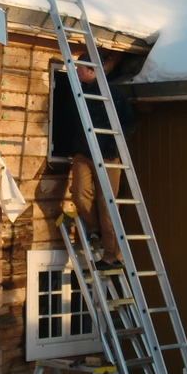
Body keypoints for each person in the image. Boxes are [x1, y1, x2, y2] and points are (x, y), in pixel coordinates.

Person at [51, 56, 135, 268]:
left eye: (80, 69)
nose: (77, 72)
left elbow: (129, 123)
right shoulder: (78, 95)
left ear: (92, 71)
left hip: (107, 156)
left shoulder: (112, 95)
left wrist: (114, 144)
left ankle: (112, 255)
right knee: (79, 193)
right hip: (83, 153)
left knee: (107, 205)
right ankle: (93, 229)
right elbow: (68, 123)